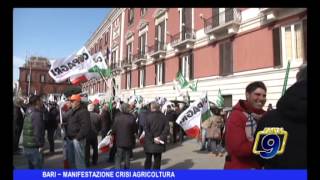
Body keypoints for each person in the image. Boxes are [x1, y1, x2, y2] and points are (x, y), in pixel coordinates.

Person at [254, 63, 307, 168]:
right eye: (257, 95)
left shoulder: (268, 119)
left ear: (298, 79)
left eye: (263, 95)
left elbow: (263, 156)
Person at [224, 81, 267, 169]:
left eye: (264, 95)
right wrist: (266, 144)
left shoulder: (266, 116)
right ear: (247, 95)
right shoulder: (236, 116)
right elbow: (239, 149)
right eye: (257, 94)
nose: (261, 98)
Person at [65, 93, 91, 169]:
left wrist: (78, 138)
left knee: (79, 161)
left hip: (77, 140)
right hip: (70, 139)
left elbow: (86, 127)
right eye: (71, 101)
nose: (71, 103)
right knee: (71, 160)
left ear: (78, 102)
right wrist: (64, 124)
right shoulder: (72, 111)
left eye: (72, 101)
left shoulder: (83, 112)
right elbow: (71, 122)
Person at [143, 102, 170, 169]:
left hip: (150, 142)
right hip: (158, 142)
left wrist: (154, 139)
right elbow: (167, 128)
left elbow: (146, 130)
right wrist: (160, 137)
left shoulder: (147, 116)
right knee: (157, 161)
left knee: (148, 160)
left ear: (152, 108)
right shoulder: (163, 116)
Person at [111, 103, 137, 169]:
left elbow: (113, 129)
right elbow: (135, 129)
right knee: (127, 156)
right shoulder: (131, 118)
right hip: (129, 140)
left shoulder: (117, 117)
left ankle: (117, 170)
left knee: (118, 157)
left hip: (119, 140)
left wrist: (112, 135)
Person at [22, 94, 45, 169]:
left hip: (27, 145)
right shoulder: (36, 114)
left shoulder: (28, 111)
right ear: (37, 102)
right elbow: (37, 131)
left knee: (31, 168)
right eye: (41, 100)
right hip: (34, 146)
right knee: (38, 169)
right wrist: (40, 145)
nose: (42, 101)